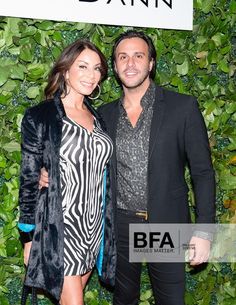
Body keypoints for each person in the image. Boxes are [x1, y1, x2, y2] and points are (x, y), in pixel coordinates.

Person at [40, 30, 215, 305]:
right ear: (115, 66)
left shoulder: (182, 108)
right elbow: (83, 156)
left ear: (151, 63)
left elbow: (203, 173)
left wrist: (204, 233)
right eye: (123, 57)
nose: (130, 63)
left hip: (165, 222)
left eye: (138, 56)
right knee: (123, 300)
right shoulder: (103, 116)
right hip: (119, 224)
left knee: (171, 300)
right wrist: (48, 171)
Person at [18, 39, 113, 305]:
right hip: (60, 228)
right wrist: (28, 237)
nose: (91, 75)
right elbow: (28, 178)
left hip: (93, 229)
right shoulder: (42, 115)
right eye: (82, 66)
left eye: (96, 69)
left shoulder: (98, 117)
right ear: (66, 69)